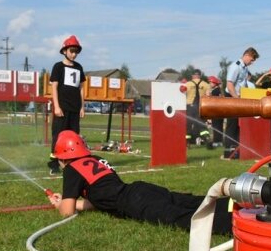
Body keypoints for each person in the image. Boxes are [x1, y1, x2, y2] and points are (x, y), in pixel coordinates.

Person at [48, 131, 232, 234]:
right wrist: (74, 202)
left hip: (133, 202)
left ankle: (233, 225)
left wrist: (60, 204)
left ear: (64, 158)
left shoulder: (72, 169)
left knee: (181, 218)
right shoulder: (95, 158)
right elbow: (100, 199)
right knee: (189, 201)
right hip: (139, 189)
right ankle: (236, 204)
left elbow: (66, 212)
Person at [48, 35, 86, 175]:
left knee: (74, 137)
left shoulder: (79, 67)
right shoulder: (58, 67)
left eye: (76, 51)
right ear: (65, 51)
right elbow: (54, 87)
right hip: (62, 109)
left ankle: (73, 164)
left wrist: (82, 107)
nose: (74, 54)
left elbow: (81, 88)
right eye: (71, 50)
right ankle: (53, 164)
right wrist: (56, 106)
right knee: (58, 136)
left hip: (75, 108)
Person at [223, 47, 259, 159]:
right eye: (252, 60)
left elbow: (244, 84)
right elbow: (230, 85)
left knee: (239, 125)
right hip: (232, 96)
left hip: (239, 97)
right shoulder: (236, 66)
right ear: (247, 55)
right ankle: (228, 152)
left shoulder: (244, 68)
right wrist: (236, 99)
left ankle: (237, 149)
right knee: (231, 125)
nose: (252, 63)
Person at [185, 69, 211, 145]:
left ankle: (187, 142)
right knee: (202, 124)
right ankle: (206, 138)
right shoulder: (206, 85)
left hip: (190, 107)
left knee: (188, 124)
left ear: (192, 76)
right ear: (200, 75)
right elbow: (209, 96)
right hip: (201, 107)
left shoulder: (187, 84)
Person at [207, 75, 225, 147]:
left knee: (216, 127)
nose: (210, 84)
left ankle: (216, 142)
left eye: (210, 82)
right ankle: (219, 142)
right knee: (219, 127)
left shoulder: (214, 91)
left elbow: (212, 101)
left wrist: (208, 95)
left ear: (214, 83)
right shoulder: (219, 90)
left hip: (215, 111)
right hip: (220, 111)